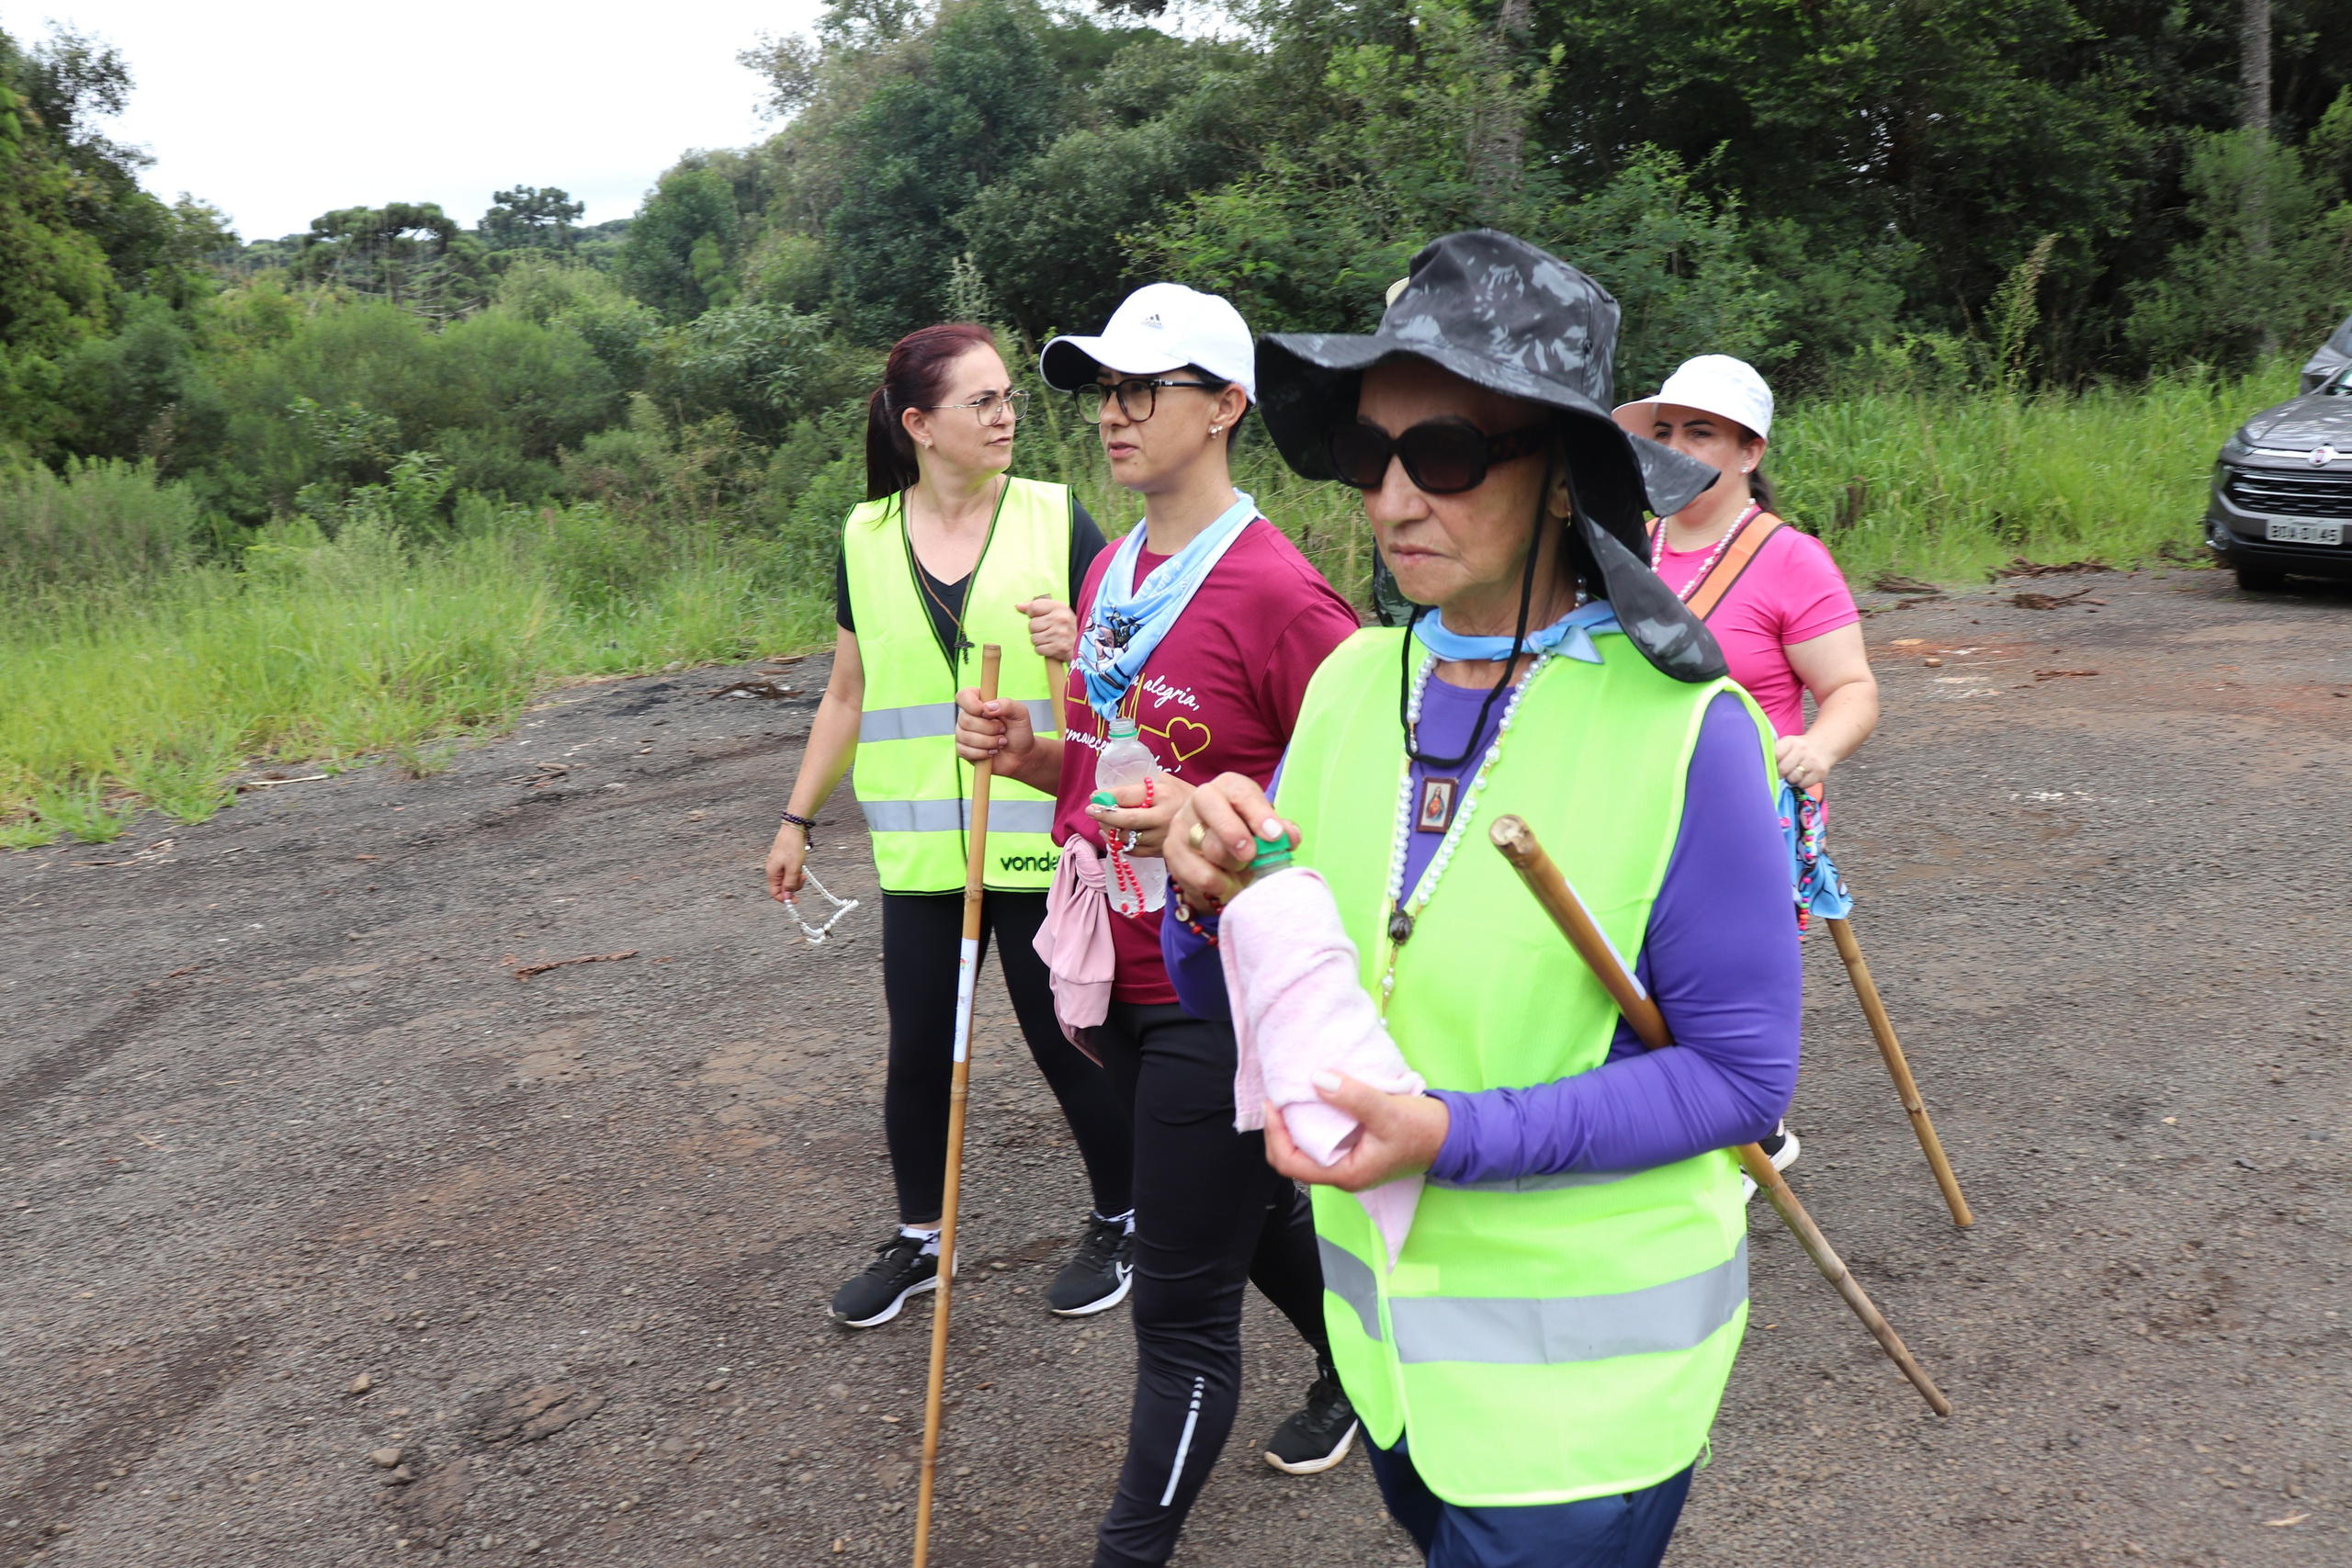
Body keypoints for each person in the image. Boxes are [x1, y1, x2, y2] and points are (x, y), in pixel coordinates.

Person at [1162, 229, 1803, 1568]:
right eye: (1370, 454)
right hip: (1398, 1362)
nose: (1394, 499)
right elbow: (1274, 974)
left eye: (1443, 456)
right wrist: (1214, 897)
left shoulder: (1689, 732)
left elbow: (1742, 1081)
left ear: (1564, 478)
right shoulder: (1353, 681)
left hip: (1587, 1401)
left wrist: (1447, 1131)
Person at [951, 283, 1365, 1568]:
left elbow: (1359, 814)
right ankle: (1368, 1365)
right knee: (1245, 1222)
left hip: (1216, 987)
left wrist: (1214, 821)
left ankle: (1127, 1549)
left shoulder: (1284, 594)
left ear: (1228, 405)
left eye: (1147, 389)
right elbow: (1099, 765)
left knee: (1182, 1310)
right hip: (1107, 967)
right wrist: (1028, 748)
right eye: (1103, 390)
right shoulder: (1115, 568)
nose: (1114, 415)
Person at [765, 322, 1136, 1329]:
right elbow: (847, 693)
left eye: (1008, 395)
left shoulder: (1058, 519)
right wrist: (799, 817)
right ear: (920, 425)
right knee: (921, 1048)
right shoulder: (865, 535)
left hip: (1041, 833)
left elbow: (1140, 660)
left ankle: (1124, 1216)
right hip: (927, 854)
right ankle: (922, 1240)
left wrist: (1086, 647)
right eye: (982, 401)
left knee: (1070, 1042)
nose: (1006, 413)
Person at [1613, 355, 1883, 1180]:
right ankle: (1671, 1124)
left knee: (1710, 989)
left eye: (1702, 431)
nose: (1678, 445)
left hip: (1739, 813)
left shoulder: (1791, 559)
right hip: (1628, 796)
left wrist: (1819, 747)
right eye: (1666, 430)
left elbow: (1851, 689)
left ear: (1748, 450)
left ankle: (1741, 1139)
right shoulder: (1627, 542)